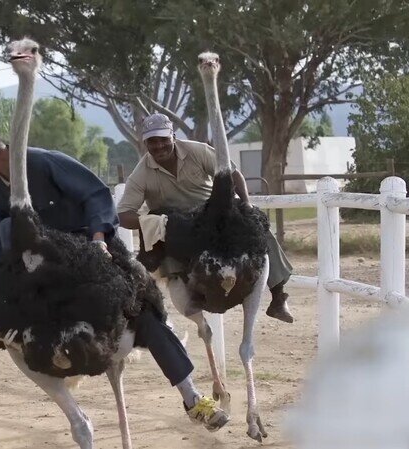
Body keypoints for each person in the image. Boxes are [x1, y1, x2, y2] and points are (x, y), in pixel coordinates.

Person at [0, 120, 229, 430]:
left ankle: (192, 397)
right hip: (35, 265)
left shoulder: (44, 161)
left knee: (143, 304)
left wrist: (99, 239)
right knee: (3, 324)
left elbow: (95, 194)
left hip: (89, 247)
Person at [116, 112, 295, 323]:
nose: (159, 146)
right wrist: (155, 222)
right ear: (145, 143)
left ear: (173, 136)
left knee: (256, 225)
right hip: (178, 224)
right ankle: (190, 294)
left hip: (211, 213)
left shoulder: (197, 151)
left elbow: (232, 173)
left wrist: (246, 202)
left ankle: (278, 295)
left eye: (163, 139)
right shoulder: (140, 174)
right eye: (152, 141)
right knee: (163, 243)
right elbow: (124, 215)